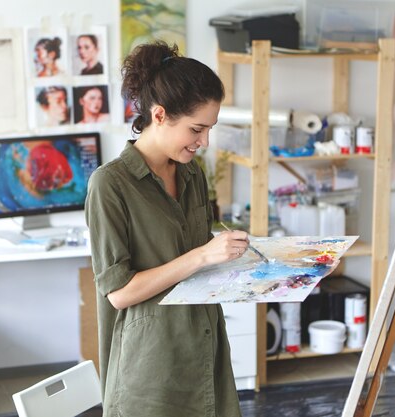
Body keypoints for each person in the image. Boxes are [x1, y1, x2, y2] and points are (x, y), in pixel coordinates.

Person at [85, 41, 248, 417]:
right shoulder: (110, 184)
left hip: (205, 348)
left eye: (209, 129)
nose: (204, 142)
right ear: (159, 115)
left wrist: (237, 258)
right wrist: (204, 254)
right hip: (151, 371)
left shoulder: (191, 173)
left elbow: (195, 256)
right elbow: (120, 294)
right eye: (196, 129)